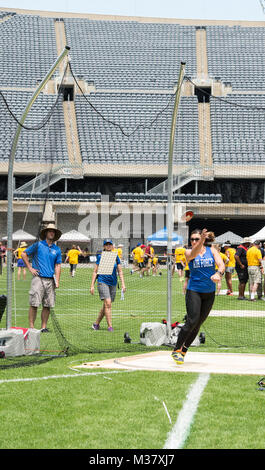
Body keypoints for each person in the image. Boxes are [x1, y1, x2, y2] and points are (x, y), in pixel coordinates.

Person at [171, 229, 225, 365]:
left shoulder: (211, 249)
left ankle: (183, 351)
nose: (194, 241)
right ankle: (176, 349)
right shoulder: (188, 252)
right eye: (192, 239)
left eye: (197, 239)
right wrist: (201, 240)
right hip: (194, 290)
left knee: (198, 324)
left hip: (209, 292)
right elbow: (194, 253)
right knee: (192, 321)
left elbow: (222, 264)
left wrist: (219, 274)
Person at [21, 223, 62, 332]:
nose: (51, 233)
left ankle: (43, 327)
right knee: (34, 304)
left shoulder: (57, 249)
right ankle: (31, 327)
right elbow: (24, 254)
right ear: (45, 233)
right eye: (49, 231)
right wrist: (30, 268)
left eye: (53, 231)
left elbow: (58, 266)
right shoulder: (38, 245)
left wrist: (57, 280)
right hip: (38, 279)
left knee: (47, 305)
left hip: (50, 280)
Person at [90, 239, 126, 332]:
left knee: (106, 305)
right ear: (104, 246)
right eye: (107, 245)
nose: (109, 246)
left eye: (110, 244)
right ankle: (110, 327)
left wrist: (123, 284)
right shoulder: (100, 256)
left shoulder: (115, 257)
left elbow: (120, 271)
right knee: (108, 303)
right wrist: (92, 286)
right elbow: (95, 271)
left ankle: (96, 324)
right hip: (102, 282)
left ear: (112, 246)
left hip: (113, 283)